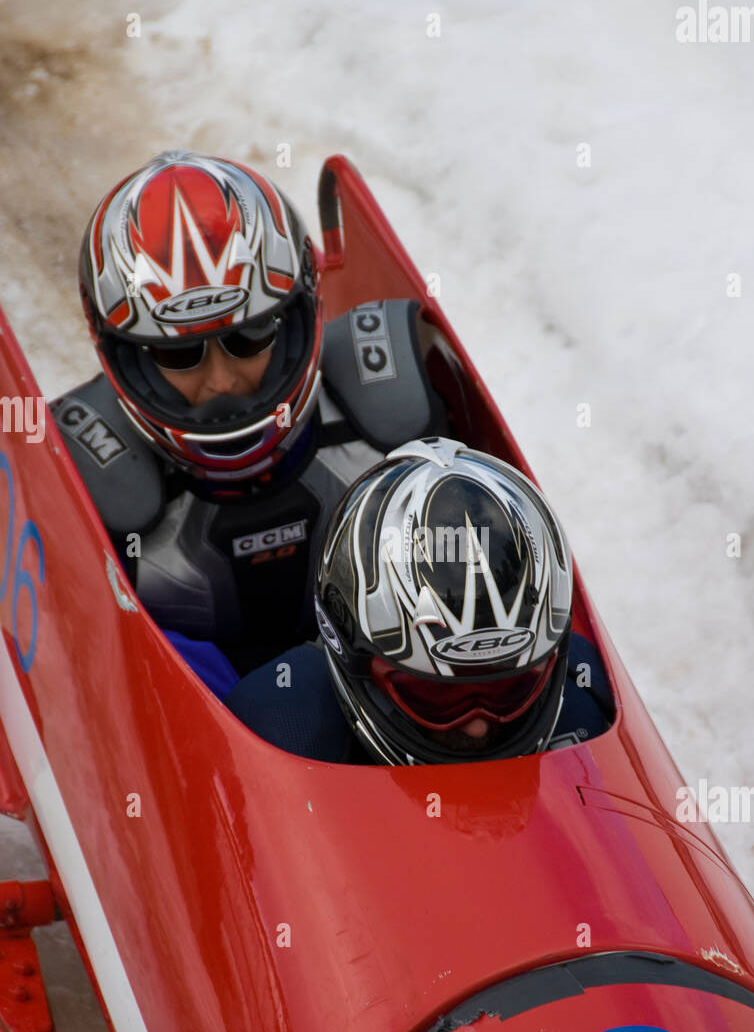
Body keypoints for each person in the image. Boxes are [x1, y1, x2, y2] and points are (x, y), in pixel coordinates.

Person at [52, 150, 449, 684]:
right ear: (128, 356)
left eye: (250, 336)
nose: (221, 382)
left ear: (295, 320)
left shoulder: (389, 419)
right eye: (177, 355)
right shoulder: (82, 482)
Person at [225, 437, 614, 762]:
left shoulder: (588, 697)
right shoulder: (283, 730)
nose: (478, 725)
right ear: (355, 660)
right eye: (436, 694)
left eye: (508, 689)